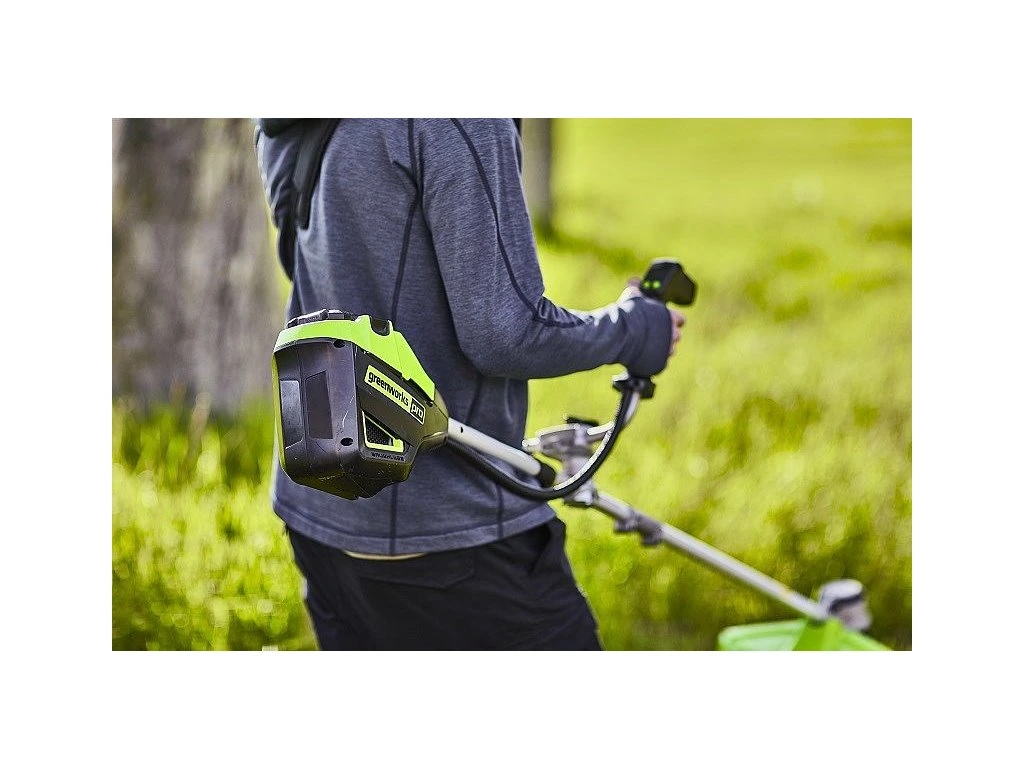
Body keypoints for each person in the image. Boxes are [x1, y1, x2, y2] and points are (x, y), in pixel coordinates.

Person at [254, 118, 685, 650]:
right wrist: (636, 329)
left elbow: (313, 266)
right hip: (449, 530)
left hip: (317, 513)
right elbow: (505, 333)